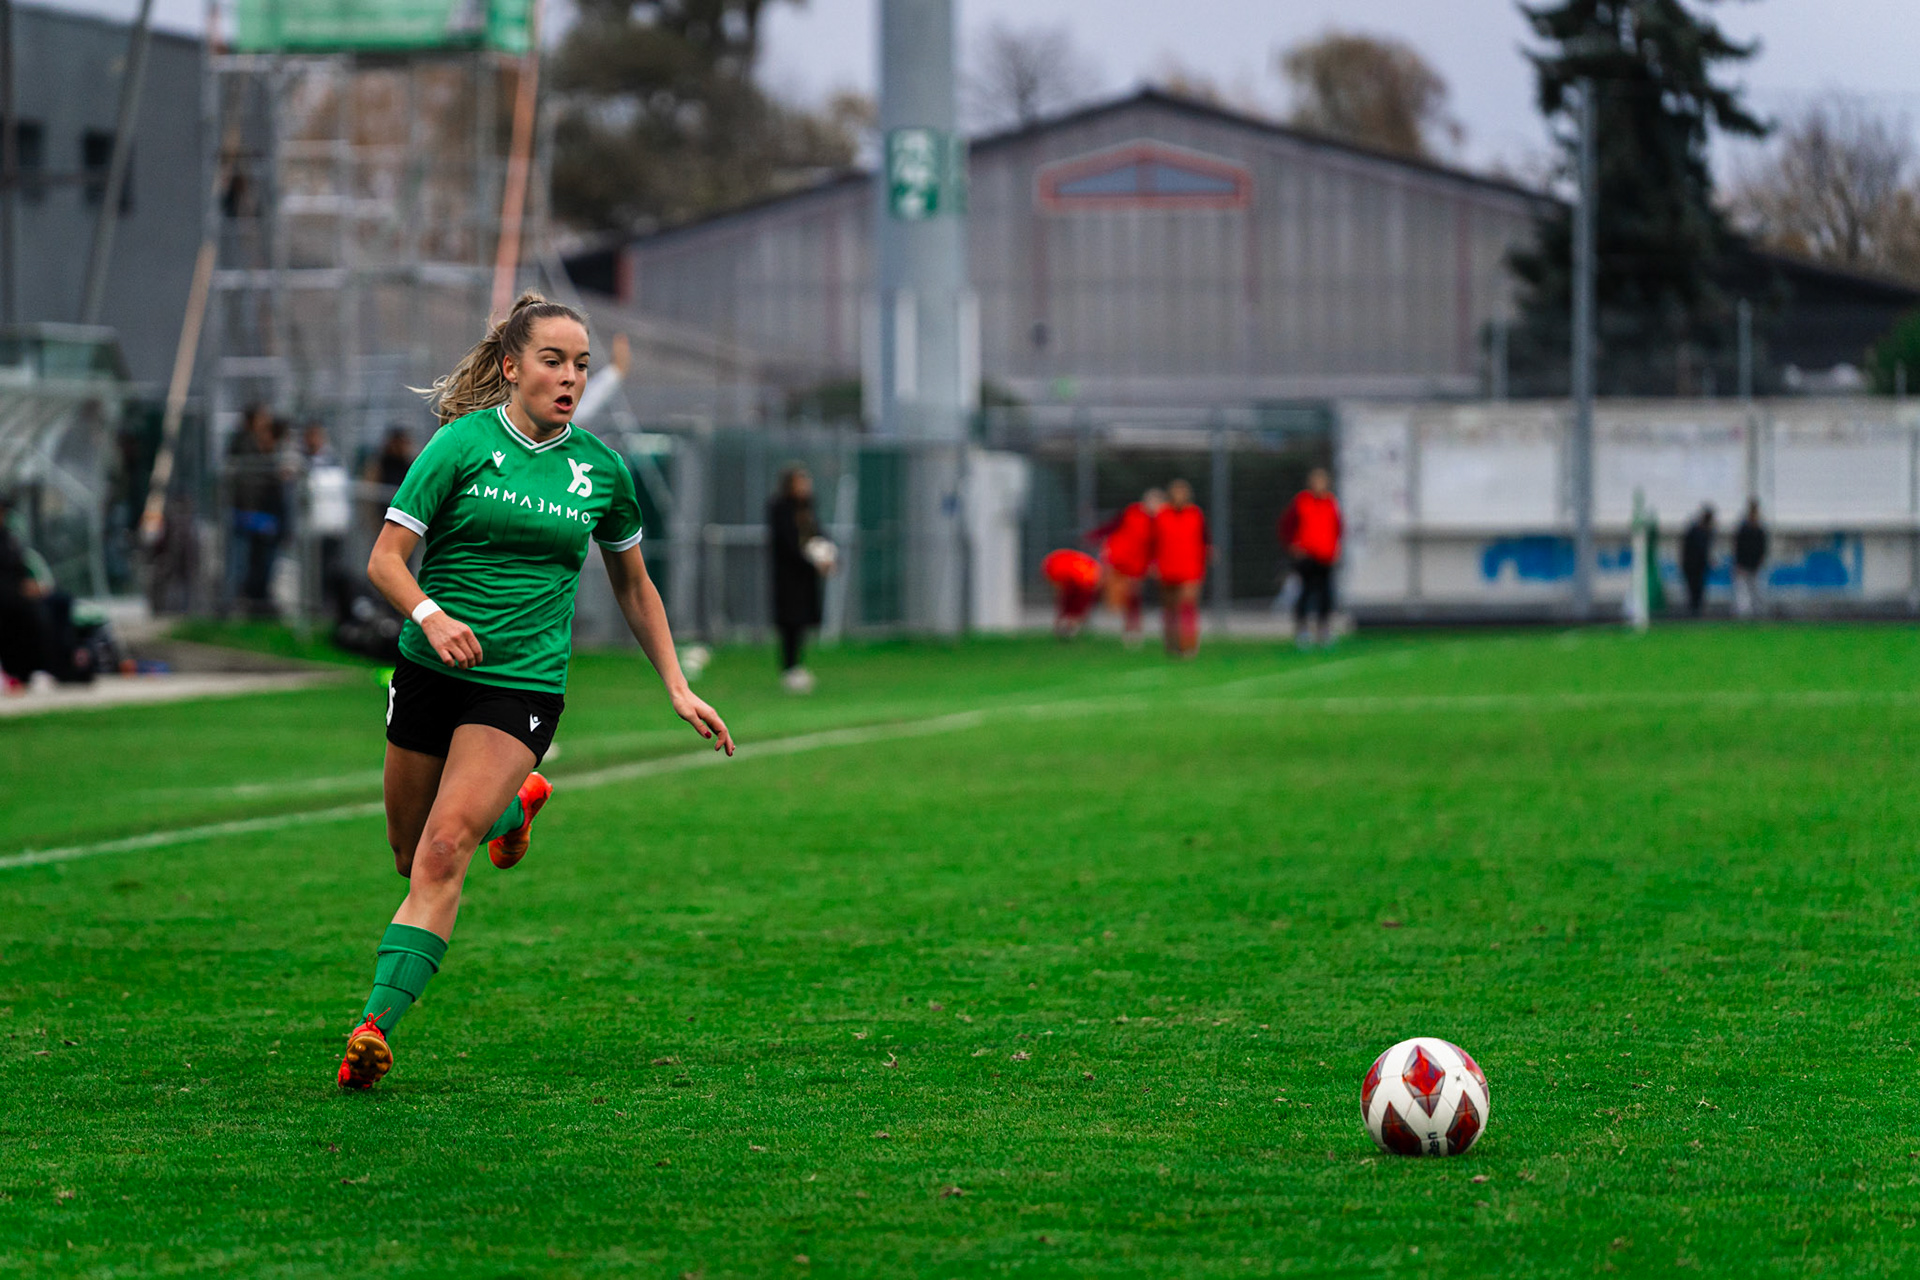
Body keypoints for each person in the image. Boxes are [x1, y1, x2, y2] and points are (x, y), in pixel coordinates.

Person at [335, 291, 734, 1091]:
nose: (570, 378)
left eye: (581, 365)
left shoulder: (602, 471)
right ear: (512, 366)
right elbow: (384, 560)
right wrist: (431, 614)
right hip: (428, 667)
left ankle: (373, 1027)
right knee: (409, 853)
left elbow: (635, 586)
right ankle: (517, 805)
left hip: (520, 683)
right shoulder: (460, 445)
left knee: (446, 852)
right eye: (554, 360)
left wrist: (676, 686)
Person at [768, 464, 830, 693]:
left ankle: (797, 666)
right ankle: (789, 668)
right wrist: (810, 559)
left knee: (803, 620)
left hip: (805, 576)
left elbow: (817, 533)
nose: (805, 487)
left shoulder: (808, 507)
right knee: (789, 620)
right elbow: (786, 542)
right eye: (800, 482)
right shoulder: (780, 508)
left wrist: (826, 554)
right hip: (788, 575)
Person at [228, 404, 290, 616]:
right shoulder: (244, 445)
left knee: (263, 563)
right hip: (248, 514)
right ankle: (237, 604)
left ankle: (259, 603)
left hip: (266, 516)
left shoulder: (268, 447)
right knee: (241, 563)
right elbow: (249, 482)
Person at [1278, 467, 1343, 648]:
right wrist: (1293, 546)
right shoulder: (1302, 502)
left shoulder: (1331, 502)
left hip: (1326, 556)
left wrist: (1336, 547)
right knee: (1306, 593)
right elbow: (1286, 526)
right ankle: (1302, 630)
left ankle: (1324, 630)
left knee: (1326, 594)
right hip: (1307, 556)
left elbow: (1338, 527)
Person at [1090, 488, 1161, 647]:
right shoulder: (1131, 512)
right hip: (1118, 558)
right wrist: (1095, 536)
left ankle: (1133, 629)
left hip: (1136, 564)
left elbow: (1155, 546)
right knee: (1104, 589)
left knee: (1133, 596)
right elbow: (1112, 526)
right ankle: (1079, 621)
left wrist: (1153, 563)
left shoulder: (1157, 521)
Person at [1153, 478, 1210, 658]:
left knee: (1187, 606)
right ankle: (1171, 643)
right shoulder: (1162, 515)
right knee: (1170, 608)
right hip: (1167, 567)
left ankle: (1188, 645)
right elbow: (1152, 542)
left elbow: (1205, 539)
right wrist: (1152, 563)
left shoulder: (1195, 514)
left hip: (1190, 568)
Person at [1041, 547, 1102, 638]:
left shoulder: (1088, 572)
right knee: (1073, 606)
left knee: (1071, 606)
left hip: (1082, 582)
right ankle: (1068, 626)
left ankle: (1068, 626)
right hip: (1081, 582)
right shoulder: (1088, 571)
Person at [1733, 498, 1768, 619]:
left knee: (1758, 592)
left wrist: (1760, 562)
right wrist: (1738, 563)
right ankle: (1744, 616)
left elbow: (1763, 548)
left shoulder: (1759, 529)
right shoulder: (1744, 528)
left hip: (1755, 565)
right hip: (1744, 565)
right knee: (1743, 594)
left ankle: (1758, 614)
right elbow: (1738, 547)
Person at [1680, 504, 1716, 616]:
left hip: (1698, 566)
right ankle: (1694, 613)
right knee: (1694, 590)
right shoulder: (1696, 531)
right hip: (1692, 566)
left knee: (1698, 590)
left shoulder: (1704, 531)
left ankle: (1696, 612)